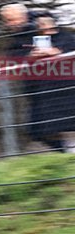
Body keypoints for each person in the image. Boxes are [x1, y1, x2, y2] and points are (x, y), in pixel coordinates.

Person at [26, 15, 75, 152]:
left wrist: (56, 53)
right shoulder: (33, 40)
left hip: (67, 88)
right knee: (44, 130)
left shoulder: (67, 38)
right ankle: (65, 152)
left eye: (43, 23)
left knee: (68, 125)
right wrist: (32, 57)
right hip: (46, 90)